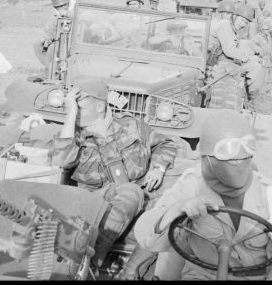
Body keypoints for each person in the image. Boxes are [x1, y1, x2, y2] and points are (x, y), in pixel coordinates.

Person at [134, 110, 272, 280]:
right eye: (229, 153)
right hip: (201, 275)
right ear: (207, 157)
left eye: (246, 150)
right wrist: (175, 209)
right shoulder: (192, 184)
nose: (239, 160)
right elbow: (146, 237)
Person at [48, 78, 178, 268]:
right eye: (72, 107)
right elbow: (61, 161)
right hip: (95, 200)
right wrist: (70, 115)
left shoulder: (131, 125)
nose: (75, 111)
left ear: (100, 106)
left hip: (141, 196)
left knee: (174, 209)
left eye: (79, 106)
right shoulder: (71, 134)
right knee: (130, 191)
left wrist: (158, 168)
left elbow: (165, 143)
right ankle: (92, 262)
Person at [206, 1, 272, 113]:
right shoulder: (224, 25)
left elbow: (235, 45)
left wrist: (250, 48)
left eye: (246, 23)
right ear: (235, 16)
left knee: (253, 59)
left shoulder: (231, 26)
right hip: (215, 63)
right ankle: (254, 102)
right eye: (242, 21)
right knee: (255, 66)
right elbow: (230, 51)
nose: (243, 25)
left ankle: (253, 98)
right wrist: (249, 57)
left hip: (221, 59)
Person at [33, 0, 74, 69]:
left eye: (63, 6)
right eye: (58, 7)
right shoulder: (55, 15)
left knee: (53, 48)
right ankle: (50, 68)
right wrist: (46, 39)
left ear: (68, 3)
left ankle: (52, 71)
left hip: (73, 40)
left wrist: (66, 13)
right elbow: (50, 30)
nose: (61, 8)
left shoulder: (76, 9)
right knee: (38, 44)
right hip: (61, 40)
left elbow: (80, 16)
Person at [252, 21, 272, 95]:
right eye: (266, 29)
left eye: (268, 29)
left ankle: (268, 90)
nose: (268, 30)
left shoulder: (269, 36)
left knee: (271, 76)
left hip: (270, 59)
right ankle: (262, 92)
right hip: (262, 59)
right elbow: (252, 45)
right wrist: (258, 52)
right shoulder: (257, 37)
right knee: (262, 77)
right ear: (261, 30)